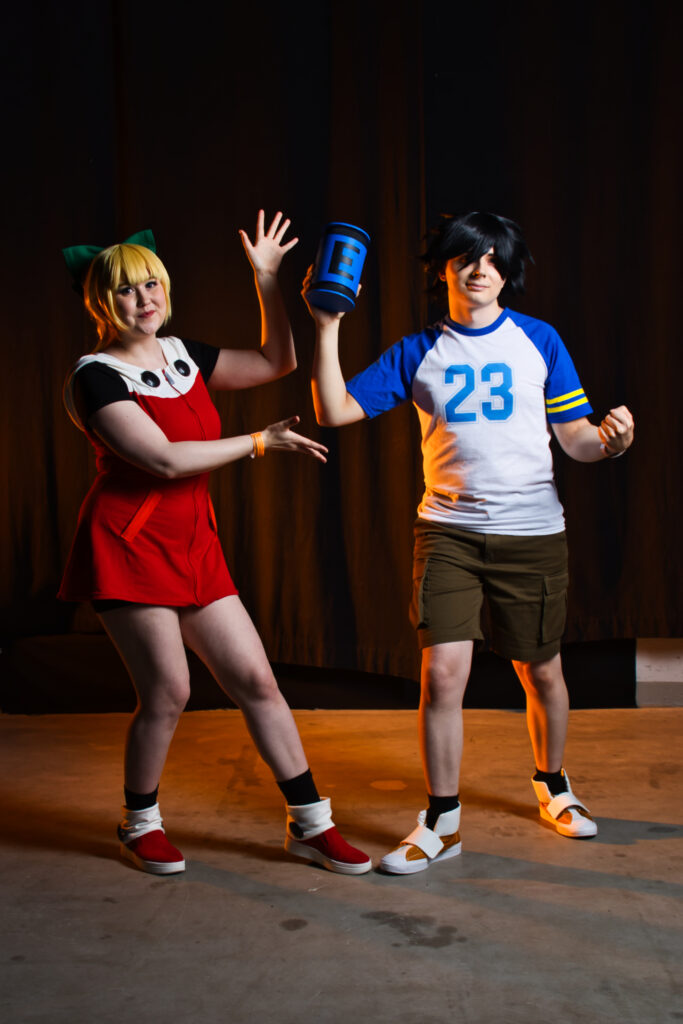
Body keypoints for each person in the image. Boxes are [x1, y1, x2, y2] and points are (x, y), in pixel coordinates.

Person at [304, 211, 634, 874]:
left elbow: (575, 440)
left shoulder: (539, 341)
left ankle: (553, 785)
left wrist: (609, 443)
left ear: (506, 273)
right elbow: (332, 410)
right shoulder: (418, 350)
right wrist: (326, 323)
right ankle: (442, 820)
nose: (479, 269)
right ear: (442, 270)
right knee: (441, 674)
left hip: (532, 533)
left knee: (540, 670)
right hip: (448, 532)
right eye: (465, 257)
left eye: (492, 259)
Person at [59, 210, 372, 877]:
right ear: (100, 301)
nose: (143, 300)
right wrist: (259, 441)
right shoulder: (95, 376)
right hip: (129, 542)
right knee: (168, 691)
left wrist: (266, 279)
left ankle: (311, 824)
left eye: (151, 285)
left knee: (256, 679)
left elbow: (276, 361)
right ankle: (140, 824)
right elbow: (164, 459)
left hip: (192, 540)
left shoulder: (182, 355)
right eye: (125, 290)